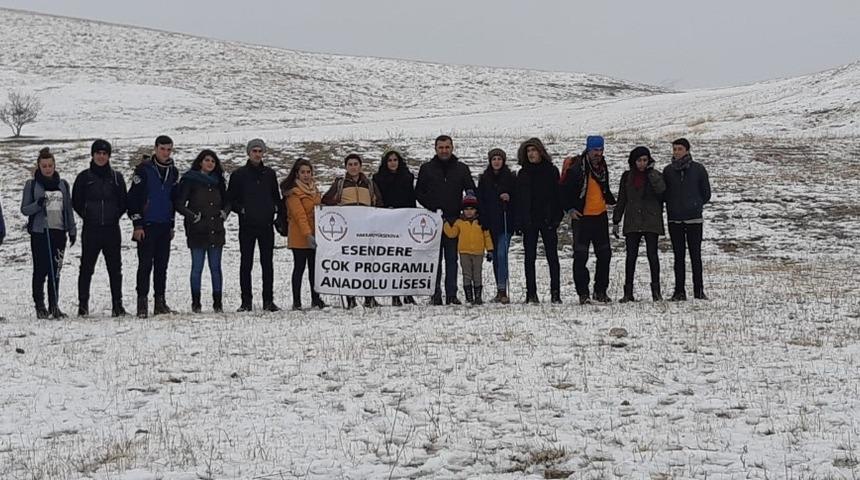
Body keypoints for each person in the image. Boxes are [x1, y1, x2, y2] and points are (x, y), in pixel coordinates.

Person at [415, 135, 476, 305]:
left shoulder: (461, 168)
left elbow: (471, 191)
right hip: (433, 221)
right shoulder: (427, 168)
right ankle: (435, 294)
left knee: (452, 259)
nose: (444, 151)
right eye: (441, 147)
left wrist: (465, 210)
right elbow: (419, 192)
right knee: (435, 259)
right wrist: (432, 206)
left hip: (454, 220)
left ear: (452, 148)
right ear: (435, 149)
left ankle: (451, 294)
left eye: (447, 147)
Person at [72, 139, 127, 317]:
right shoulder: (84, 178)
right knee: (86, 268)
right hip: (91, 229)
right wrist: (87, 215)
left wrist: (114, 215)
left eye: (104, 153)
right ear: (93, 155)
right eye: (98, 153)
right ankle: (83, 306)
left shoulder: (117, 178)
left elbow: (123, 201)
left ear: (109, 156)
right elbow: (76, 201)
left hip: (111, 229)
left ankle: (117, 306)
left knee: (115, 269)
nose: (101, 157)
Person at [560, 135, 617, 304]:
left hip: (600, 216)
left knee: (605, 255)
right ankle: (583, 294)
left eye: (600, 150)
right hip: (582, 218)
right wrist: (569, 209)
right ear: (588, 149)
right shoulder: (577, 168)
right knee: (580, 256)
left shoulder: (602, 167)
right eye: (595, 150)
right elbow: (562, 191)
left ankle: (600, 291)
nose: (598, 153)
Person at [21, 147, 76, 319]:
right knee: (41, 270)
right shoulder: (32, 185)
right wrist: (38, 204)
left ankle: (54, 306)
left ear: (54, 166)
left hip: (58, 232)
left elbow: (68, 209)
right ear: (39, 166)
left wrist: (72, 229)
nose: (47, 169)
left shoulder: (62, 184)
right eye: (44, 166)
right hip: (40, 232)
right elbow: (25, 209)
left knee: (55, 271)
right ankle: (40, 306)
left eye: (50, 165)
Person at [322, 153, 383, 309]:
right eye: (350, 164)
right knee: (349, 264)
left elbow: (379, 203)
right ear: (346, 167)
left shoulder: (369, 184)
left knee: (368, 263)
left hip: (367, 229)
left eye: (356, 164)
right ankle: (350, 298)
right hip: (348, 231)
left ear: (360, 166)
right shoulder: (340, 184)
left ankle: (369, 297)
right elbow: (326, 200)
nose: (353, 167)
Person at [228, 138, 282, 312]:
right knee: (246, 264)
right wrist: (242, 210)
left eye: (260, 151)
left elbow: (276, 196)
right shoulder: (238, 175)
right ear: (248, 153)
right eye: (254, 151)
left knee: (267, 264)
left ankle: (268, 301)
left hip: (266, 224)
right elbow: (231, 200)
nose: (257, 154)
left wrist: (275, 210)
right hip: (247, 225)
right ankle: (246, 302)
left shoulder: (270, 174)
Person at [128, 135, 180, 318]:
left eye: (169, 149)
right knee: (145, 266)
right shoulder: (143, 170)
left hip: (164, 225)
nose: (165, 153)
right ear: (155, 149)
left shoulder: (173, 171)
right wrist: (137, 224)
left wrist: (172, 224)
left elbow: (173, 200)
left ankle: (160, 302)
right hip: (147, 225)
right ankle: (142, 303)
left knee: (161, 266)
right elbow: (133, 198)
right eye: (162, 149)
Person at [175, 149, 229, 313]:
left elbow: (228, 201)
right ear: (200, 162)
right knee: (197, 267)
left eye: (213, 161)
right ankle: (196, 302)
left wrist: (225, 212)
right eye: (207, 160)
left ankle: (217, 303)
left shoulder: (218, 181)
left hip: (216, 229)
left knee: (216, 268)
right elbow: (179, 204)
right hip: (197, 229)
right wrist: (192, 216)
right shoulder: (190, 180)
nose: (210, 163)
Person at [612, 146, 666, 302]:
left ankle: (656, 292)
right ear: (633, 161)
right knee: (631, 257)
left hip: (651, 220)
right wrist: (616, 220)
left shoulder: (655, 175)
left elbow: (662, 191)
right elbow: (622, 199)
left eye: (645, 160)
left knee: (652, 256)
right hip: (632, 221)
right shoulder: (627, 177)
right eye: (639, 160)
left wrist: (651, 174)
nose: (642, 163)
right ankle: (628, 292)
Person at [514, 138, 563, 304]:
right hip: (529, 221)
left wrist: (556, 218)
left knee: (552, 257)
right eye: (528, 151)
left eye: (534, 150)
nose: (531, 154)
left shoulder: (551, 171)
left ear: (541, 151)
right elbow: (519, 199)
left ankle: (555, 293)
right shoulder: (523, 173)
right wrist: (520, 221)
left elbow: (557, 196)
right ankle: (531, 294)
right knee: (529, 258)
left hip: (548, 220)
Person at [663, 138, 711, 301]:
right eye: (674, 149)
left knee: (695, 256)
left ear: (687, 150)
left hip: (694, 220)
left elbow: (706, 193)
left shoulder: (698, 169)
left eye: (680, 149)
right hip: (675, 219)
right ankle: (679, 291)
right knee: (678, 257)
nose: (676, 152)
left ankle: (699, 291)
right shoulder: (668, 171)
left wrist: (695, 205)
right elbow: (664, 193)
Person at [372, 149, 417, 306]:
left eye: (395, 160)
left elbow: (411, 198)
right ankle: (394, 294)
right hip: (387, 222)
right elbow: (377, 199)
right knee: (391, 260)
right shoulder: (378, 178)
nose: (392, 163)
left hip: (404, 221)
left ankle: (407, 294)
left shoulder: (407, 177)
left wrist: (411, 216)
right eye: (390, 160)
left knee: (405, 260)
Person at [281, 158, 326, 311]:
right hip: (299, 236)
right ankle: (297, 301)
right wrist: (307, 234)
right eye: (303, 172)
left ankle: (316, 298)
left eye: (308, 172)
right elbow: (299, 216)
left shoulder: (315, 190)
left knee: (314, 269)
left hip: (315, 234)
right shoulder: (293, 193)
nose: (306, 175)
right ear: (297, 174)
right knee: (299, 268)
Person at [477, 148, 516, 304]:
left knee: (501, 254)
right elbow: (481, 199)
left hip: (506, 222)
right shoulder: (484, 179)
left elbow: (517, 198)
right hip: (490, 223)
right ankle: (500, 290)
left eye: (499, 159)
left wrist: (509, 198)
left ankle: (502, 289)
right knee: (495, 257)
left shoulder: (511, 177)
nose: (497, 162)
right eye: (494, 159)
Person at [443, 194, 493, 305]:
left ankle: (478, 297)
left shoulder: (481, 222)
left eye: (472, 209)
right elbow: (452, 233)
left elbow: (487, 236)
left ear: (476, 210)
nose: (469, 212)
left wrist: (490, 250)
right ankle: (469, 297)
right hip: (464, 252)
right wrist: (445, 223)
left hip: (478, 252)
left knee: (477, 274)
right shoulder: (459, 222)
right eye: (466, 209)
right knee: (467, 274)